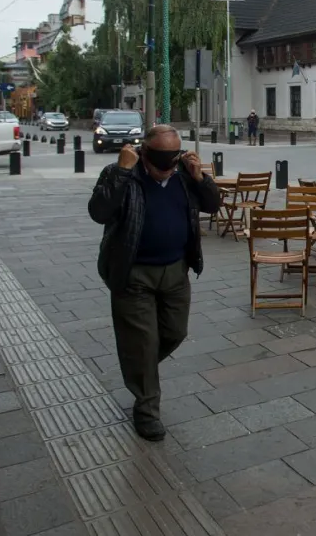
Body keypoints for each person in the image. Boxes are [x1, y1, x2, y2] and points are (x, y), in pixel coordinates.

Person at [87, 125, 220, 441]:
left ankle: (140, 364)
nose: (166, 170)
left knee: (175, 332)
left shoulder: (185, 174)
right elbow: (99, 212)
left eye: (172, 161)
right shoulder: (120, 173)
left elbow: (213, 206)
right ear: (142, 152)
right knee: (143, 343)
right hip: (133, 273)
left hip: (176, 271)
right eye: (160, 161)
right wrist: (121, 171)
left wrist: (201, 176)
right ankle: (147, 411)